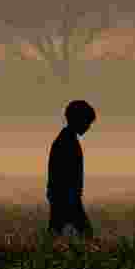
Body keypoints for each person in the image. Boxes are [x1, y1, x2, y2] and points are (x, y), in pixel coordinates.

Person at [47, 100, 96, 239]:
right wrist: (72, 197)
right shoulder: (67, 142)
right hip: (67, 198)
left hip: (62, 197)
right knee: (87, 234)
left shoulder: (65, 139)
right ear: (78, 120)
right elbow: (63, 174)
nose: (88, 127)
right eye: (87, 122)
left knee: (55, 232)